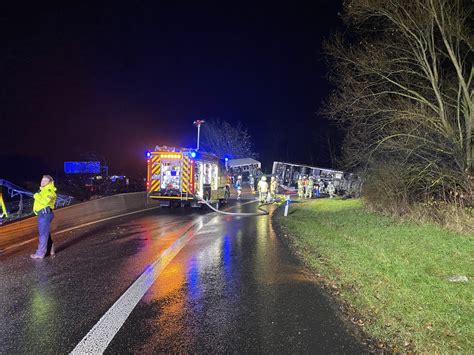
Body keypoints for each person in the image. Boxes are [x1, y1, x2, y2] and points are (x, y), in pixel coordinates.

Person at [31, 175, 57, 259]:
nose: (42, 182)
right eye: (42, 180)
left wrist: (36, 196)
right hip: (43, 213)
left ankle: (40, 253)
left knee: (43, 234)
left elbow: (45, 202)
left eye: (45, 181)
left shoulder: (49, 190)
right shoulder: (43, 190)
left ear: (49, 182)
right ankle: (51, 249)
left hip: (45, 214)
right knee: (45, 233)